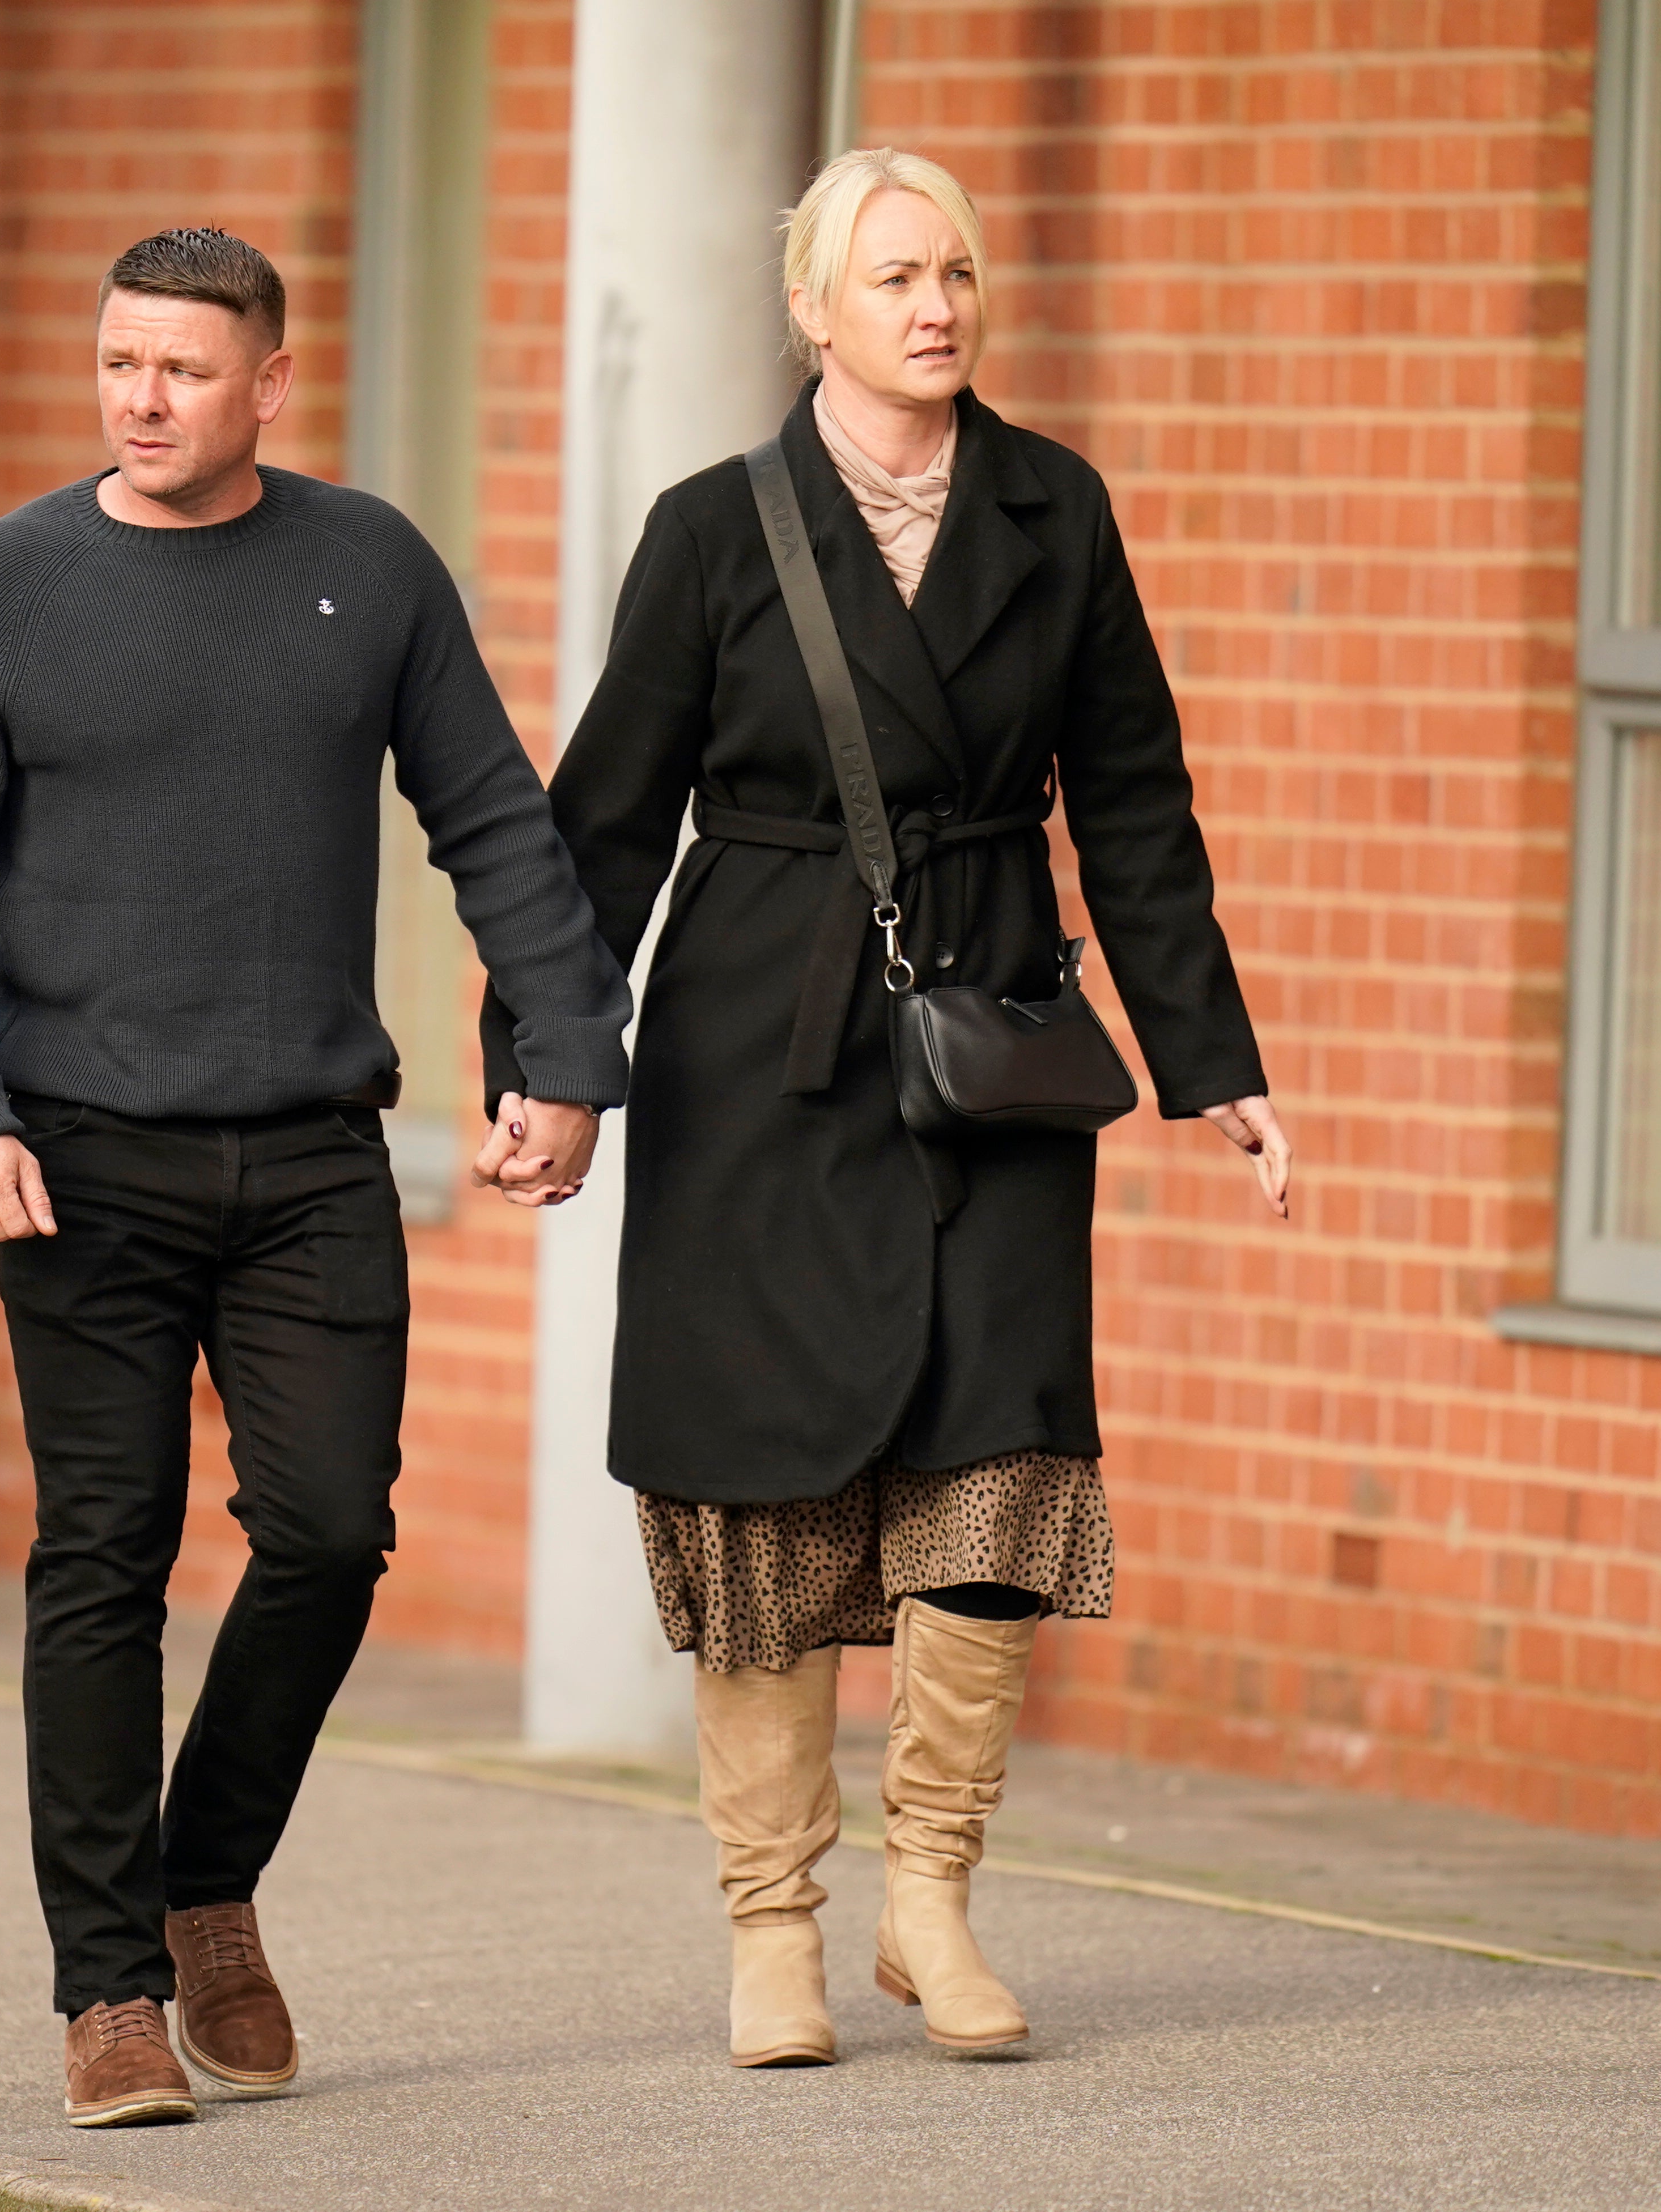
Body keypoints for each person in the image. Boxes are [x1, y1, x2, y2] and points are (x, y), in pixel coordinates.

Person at [482, 148, 1294, 2068]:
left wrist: (1216, 1064)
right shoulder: (709, 530)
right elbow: (602, 822)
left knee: (999, 1453)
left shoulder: (1055, 509)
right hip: (761, 1041)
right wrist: (552, 1069)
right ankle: (774, 1925)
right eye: (896, 275)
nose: (938, 304)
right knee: (762, 1471)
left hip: (993, 1032)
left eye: (959, 272)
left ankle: (932, 1892)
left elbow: (1141, 805)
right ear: (812, 309)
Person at [0, 227, 625, 2128]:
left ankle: (208, 1877)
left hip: (308, 1154)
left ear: (270, 383)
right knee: (103, 1562)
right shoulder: (4, 590)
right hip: (79, 1164)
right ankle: (110, 1991)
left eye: (184, 370)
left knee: (332, 1534)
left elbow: (498, 829)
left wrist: (569, 1062)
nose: (141, 397)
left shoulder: (367, 572)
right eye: (119, 360)